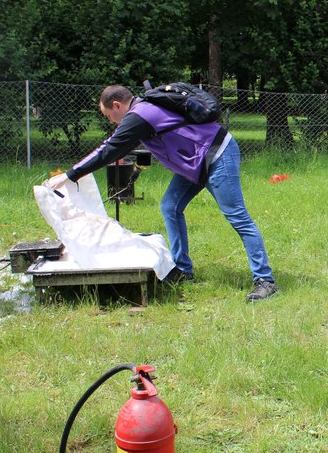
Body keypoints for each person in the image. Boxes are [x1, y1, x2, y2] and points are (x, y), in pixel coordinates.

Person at [43, 85, 280, 301]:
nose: (113, 122)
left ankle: (265, 280)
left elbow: (110, 148)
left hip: (217, 155)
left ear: (117, 105)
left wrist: (70, 175)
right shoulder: (144, 112)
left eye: (109, 117)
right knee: (170, 206)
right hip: (195, 163)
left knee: (237, 216)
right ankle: (183, 270)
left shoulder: (139, 115)